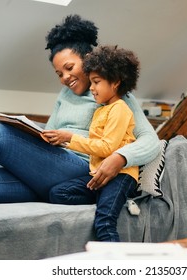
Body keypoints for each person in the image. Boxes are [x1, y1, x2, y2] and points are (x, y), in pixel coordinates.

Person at [0, 14, 160, 209]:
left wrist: (120, 157)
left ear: (88, 60)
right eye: (59, 74)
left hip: (81, 167)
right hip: (50, 171)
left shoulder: (114, 95)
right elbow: (50, 131)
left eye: (69, 68)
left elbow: (150, 140)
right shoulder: (65, 96)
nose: (65, 78)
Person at [48, 45, 140, 241]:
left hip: (120, 176)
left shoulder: (119, 109)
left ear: (115, 82)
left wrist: (69, 138)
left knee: (104, 222)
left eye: (96, 82)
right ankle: (106, 199)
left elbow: (108, 148)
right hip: (98, 174)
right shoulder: (100, 110)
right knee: (58, 193)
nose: (91, 88)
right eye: (90, 82)